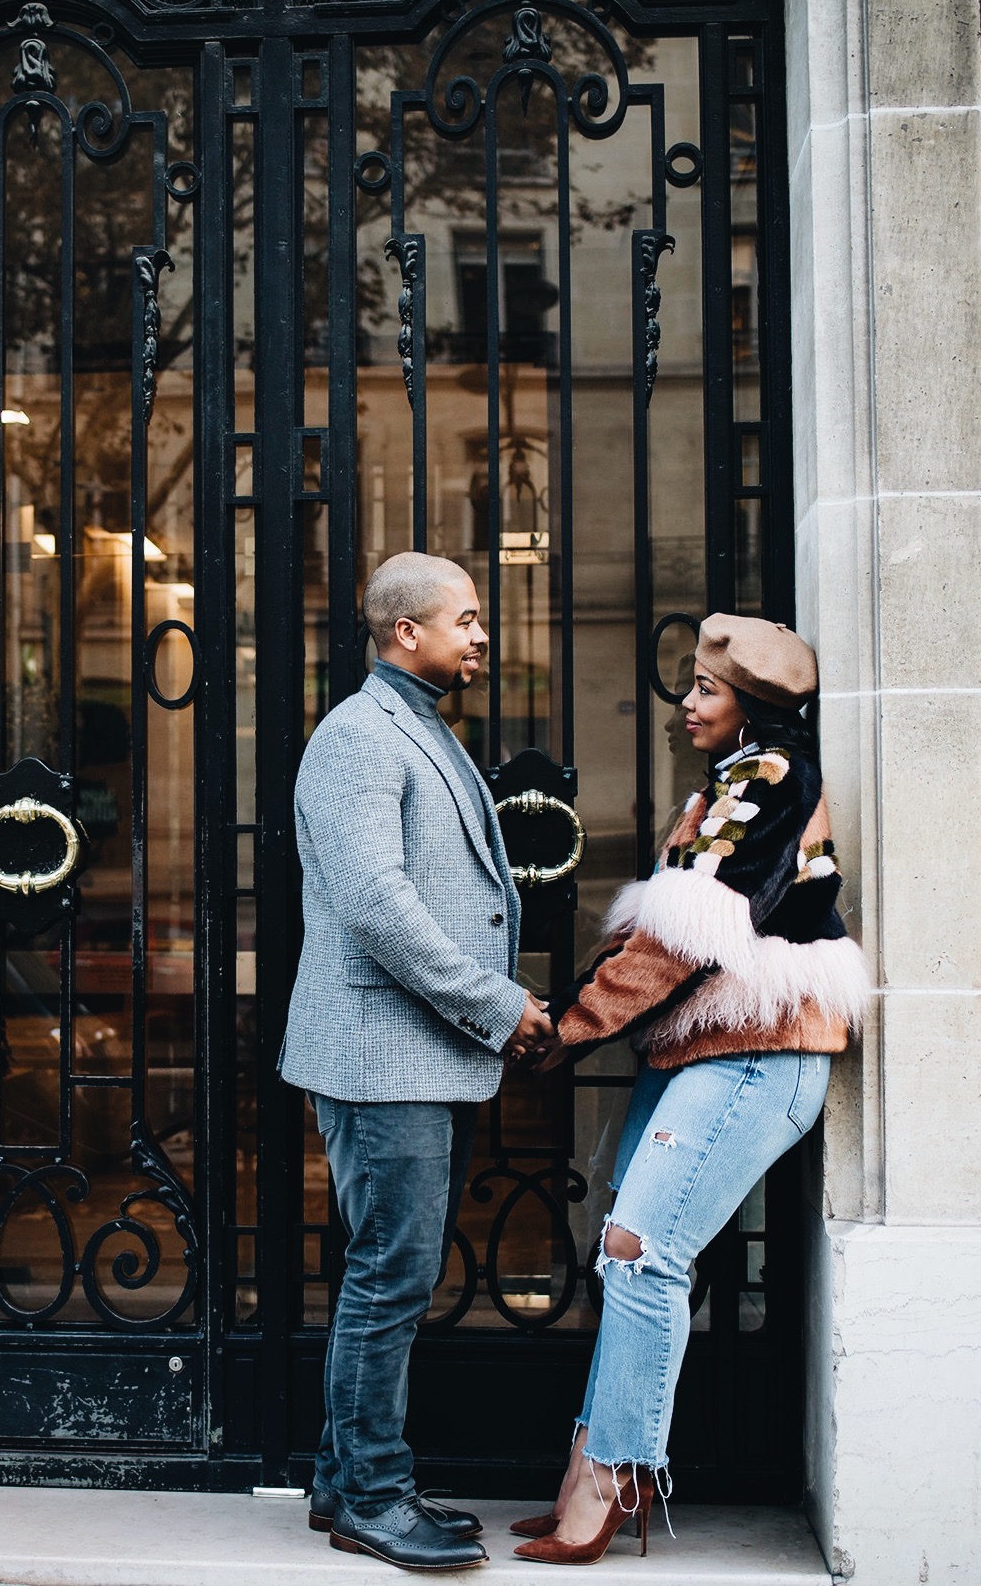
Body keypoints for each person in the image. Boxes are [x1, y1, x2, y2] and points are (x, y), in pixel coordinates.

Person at [511, 614, 870, 1564]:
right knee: (625, 1251)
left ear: (750, 707)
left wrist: (573, 1030)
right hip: (711, 1049)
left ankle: (617, 1475)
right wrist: (578, 1008)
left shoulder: (768, 780)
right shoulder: (733, 785)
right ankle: (588, 1468)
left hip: (760, 1048)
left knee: (641, 1253)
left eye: (707, 692)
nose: (688, 707)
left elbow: (681, 940)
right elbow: (655, 937)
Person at [280, 552, 555, 1572]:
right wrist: (496, 1004)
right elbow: (377, 906)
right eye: (467, 619)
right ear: (407, 631)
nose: (481, 636)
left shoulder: (411, 724)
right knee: (390, 1276)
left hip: (412, 1054)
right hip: (379, 1055)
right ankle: (375, 1497)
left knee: (385, 1269)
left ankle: (342, 1480)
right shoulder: (358, 735)